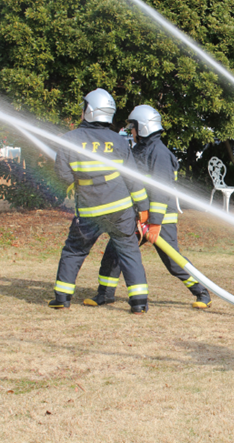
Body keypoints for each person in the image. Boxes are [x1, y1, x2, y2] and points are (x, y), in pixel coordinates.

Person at [85, 105, 212, 310]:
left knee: (172, 261)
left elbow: (160, 192)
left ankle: (202, 292)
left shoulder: (159, 153)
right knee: (114, 252)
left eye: (133, 128)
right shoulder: (138, 150)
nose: (131, 132)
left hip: (160, 219)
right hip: (137, 217)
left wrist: (155, 223)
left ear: (143, 127)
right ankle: (104, 294)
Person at [50, 88, 150, 314]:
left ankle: (62, 298)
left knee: (74, 251)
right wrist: (143, 209)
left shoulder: (69, 140)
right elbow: (133, 179)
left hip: (88, 210)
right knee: (129, 251)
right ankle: (139, 303)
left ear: (89, 111)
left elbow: (63, 178)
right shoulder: (120, 141)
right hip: (120, 209)